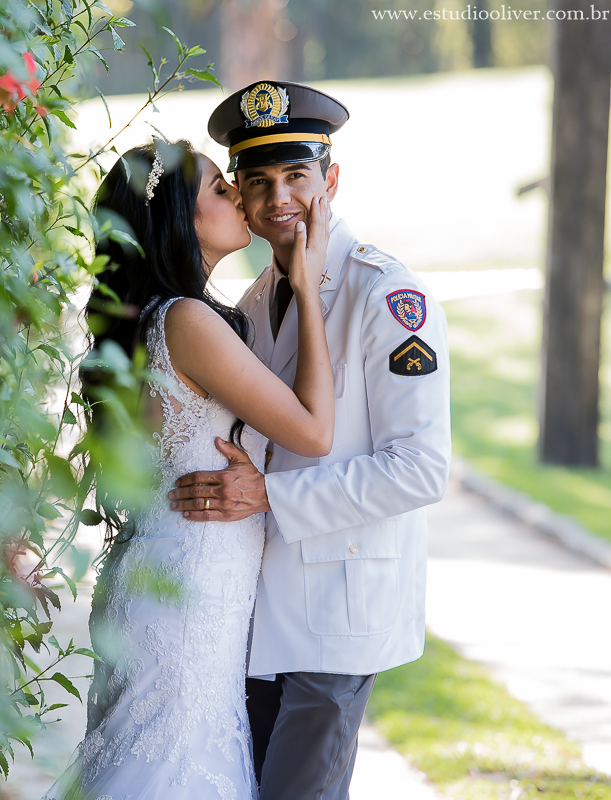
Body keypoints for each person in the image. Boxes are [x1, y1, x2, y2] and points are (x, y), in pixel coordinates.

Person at [167, 81, 452, 800]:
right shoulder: (255, 300)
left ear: (332, 180)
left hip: (339, 609)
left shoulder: (387, 296)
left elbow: (419, 468)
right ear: (239, 194)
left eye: (296, 175)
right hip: (257, 609)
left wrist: (269, 496)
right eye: (258, 181)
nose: (278, 199)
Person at [45, 137, 334, 800]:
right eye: (219, 188)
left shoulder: (154, 321)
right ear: (177, 218)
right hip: (187, 592)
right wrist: (308, 288)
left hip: (165, 577)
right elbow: (315, 432)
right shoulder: (186, 322)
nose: (240, 195)